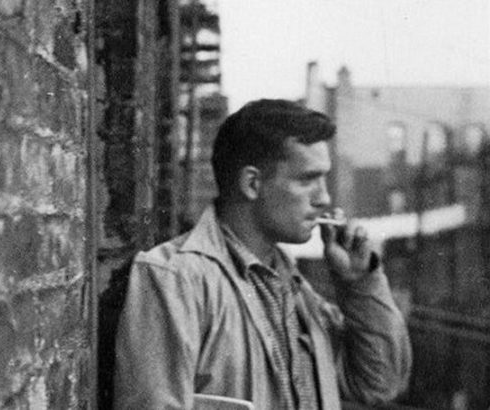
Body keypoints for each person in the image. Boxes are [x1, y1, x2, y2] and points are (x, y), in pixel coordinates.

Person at [113, 99, 412, 409]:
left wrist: (359, 282)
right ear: (252, 184)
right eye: (307, 179)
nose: (324, 197)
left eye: (323, 179)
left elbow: (379, 383)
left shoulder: (292, 289)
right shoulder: (176, 280)